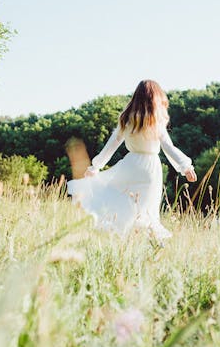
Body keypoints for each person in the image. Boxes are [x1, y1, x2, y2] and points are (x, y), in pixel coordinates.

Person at [67, 80, 197, 240]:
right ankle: (153, 245)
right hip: (150, 170)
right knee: (148, 211)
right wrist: (185, 167)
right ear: (156, 100)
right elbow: (169, 148)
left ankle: (122, 239)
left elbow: (111, 145)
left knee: (120, 202)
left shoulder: (127, 121)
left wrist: (96, 166)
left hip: (130, 165)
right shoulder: (156, 122)